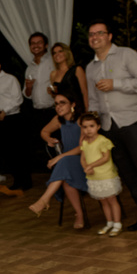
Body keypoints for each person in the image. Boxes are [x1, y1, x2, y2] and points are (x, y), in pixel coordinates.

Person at [85, 21, 137, 236]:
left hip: (133, 121)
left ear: (109, 36)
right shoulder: (90, 67)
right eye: (91, 34)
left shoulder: (127, 54)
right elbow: (92, 99)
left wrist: (116, 83)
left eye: (99, 33)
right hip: (109, 127)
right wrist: (93, 127)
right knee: (128, 174)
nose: (95, 37)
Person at [28, 94, 88, 226]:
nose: (59, 106)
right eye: (56, 104)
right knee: (66, 175)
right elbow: (44, 131)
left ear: (73, 104)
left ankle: (45, 199)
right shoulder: (58, 119)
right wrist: (49, 139)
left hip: (84, 161)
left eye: (63, 103)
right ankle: (79, 214)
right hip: (68, 164)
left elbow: (83, 147)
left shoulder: (82, 119)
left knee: (64, 164)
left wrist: (60, 157)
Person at [0, 56, 32, 191]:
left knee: (19, 151)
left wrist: (5, 111)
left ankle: (26, 181)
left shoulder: (10, 79)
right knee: (7, 153)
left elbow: (18, 99)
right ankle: (17, 180)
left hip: (13, 118)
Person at [79, 113, 123, 236]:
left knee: (112, 200)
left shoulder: (103, 141)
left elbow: (105, 157)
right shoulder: (84, 142)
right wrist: (86, 168)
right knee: (103, 201)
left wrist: (91, 165)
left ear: (98, 126)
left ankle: (117, 223)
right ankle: (109, 222)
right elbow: (82, 158)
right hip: (94, 177)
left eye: (91, 126)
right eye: (85, 127)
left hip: (106, 176)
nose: (88, 130)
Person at [23, 32, 54, 147]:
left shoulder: (53, 62)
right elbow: (27, 95)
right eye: (33, 43)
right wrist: (29, 88)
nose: (36, 45)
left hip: (54, 111)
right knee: (44, 147)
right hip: (37, 114)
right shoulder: (29, 68)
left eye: (39, 42)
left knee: (58, 143)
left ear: (46, 45)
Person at [48, 43, 88, 112]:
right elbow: (56, 96)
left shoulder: (77, 69)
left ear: (67, 53)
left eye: (60, 51)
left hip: (78, 109)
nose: (57, 54)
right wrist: (52, 93)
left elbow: (85, 92)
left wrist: (87, 110)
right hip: (62, 111)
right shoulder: (53, 74)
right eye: (54, 53)